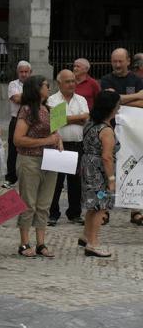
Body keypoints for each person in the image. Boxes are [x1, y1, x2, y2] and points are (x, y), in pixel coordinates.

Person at [13, 75, 63, 258]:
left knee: (44, 204)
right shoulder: (26, 110)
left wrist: (58, 142)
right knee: (28, 203)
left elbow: (56, 134)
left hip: (51, 160)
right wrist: (46, 140)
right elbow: (18, 139)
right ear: (36, 88)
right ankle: (24, 243)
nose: (48, 88)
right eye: (45, 85)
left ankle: (41, 243)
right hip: (30, 160)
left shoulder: (51, 109)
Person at [100, 48, 143, 225]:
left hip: (132, 134)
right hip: (109, 131)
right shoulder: (105, 80)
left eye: (120, 61)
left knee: (134, 168)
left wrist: (117, 97)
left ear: (128, 61)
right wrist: (133, 97)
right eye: (114, 61)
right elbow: (106, 100)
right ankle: (103, 209)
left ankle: (136, 209)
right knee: (105, 171)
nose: (117, 65)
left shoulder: (138, 80)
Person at [79, 91, 121, 257]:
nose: (118, 108)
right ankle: (93, 243)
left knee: (92, 205)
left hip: (87, 166)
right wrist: (111, 179)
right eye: (117, 105)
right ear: (111, 108)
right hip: (99, 172)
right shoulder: (106, 130)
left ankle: (86, 236)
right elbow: (107, 156)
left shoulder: (90, 123)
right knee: (100, 207)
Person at [46, 69, 89, 226]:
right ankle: (52, 213)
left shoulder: (81, 99)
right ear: (59, 83)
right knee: (55, 182)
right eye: (68, 81)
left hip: (77, 145)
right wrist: (77, 118)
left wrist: (64, 118)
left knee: (76, 181)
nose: (72, 84)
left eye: (73, 81)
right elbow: (54, 122)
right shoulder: (52, 100)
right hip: (58, 145)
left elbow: (86, 119)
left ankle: (74, 213)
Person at [3, 60, 32, 188]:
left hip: (32, 121)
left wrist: (25, 96)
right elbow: (16, 99)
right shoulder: (13, 84)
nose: (24, 74)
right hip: (16, 120)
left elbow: (41, 98)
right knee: (13, 149)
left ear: (30, 72)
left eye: (26, 72)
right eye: (21, 72)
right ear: (17, 72)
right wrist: (34, 96)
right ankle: (10, 177)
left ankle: (30, 176)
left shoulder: (35, 84)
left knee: (32, 149)